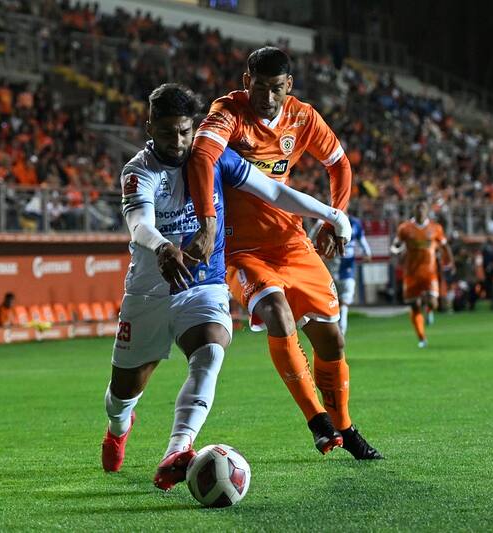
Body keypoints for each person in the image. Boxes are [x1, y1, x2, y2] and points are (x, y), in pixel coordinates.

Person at [101, 84, 353, 491]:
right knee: (123, 392)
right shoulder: (139, 170)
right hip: (149, 292)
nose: (178, 141)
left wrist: (330, 213)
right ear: (150, 128)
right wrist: (163, 247)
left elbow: (272, 190)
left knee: (212, 351)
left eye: (185, 131)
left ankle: (178, 450)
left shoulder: (215, 159)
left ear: (194, 127)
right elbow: (140, 223)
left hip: (203, 287)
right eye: (167, 133)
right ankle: (118, 426)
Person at [185, 47, 381, 459]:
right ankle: (318, 422)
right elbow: (202, 156)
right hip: (240, 249)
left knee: (332, 340)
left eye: (276, 88)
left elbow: (340, 164)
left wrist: (335, 217)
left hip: (291, 242)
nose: (267, 97)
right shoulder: (228, 112)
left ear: (288, 86)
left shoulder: (303, 117)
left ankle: (344, 426)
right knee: (275, 309)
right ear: (246, 82)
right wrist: (207, 221)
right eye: (260, 87)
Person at [390, 201, 453, 348]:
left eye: (423, 208)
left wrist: (450, 261)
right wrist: (396, 253)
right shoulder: (405, 228)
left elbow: (444, 246)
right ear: (414, 210)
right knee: (414, 305)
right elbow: (395, 245)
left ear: (426, 211)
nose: (420, 211)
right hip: (411, 272)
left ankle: (430, 310)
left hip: (429, 272)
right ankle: (422, 338)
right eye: (418, 208)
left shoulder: (435, 228)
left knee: (433, 302)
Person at [314, 216, 372, 334]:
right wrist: (318, 255)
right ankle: (329, 330)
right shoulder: (322, 222)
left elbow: (362, 240)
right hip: (328, 268)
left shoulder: (355, 223)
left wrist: (367, 252)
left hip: (347, 268)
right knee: (330, 303)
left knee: (345, 300)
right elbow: (310, 241)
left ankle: (341, 332)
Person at [481, 237, 493, 309]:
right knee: (491, 284)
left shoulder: (485, 248)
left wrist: (488, 266)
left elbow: (484, 258)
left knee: (488, 284)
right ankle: (492, 299)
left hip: (487, 268)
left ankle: (490, 298)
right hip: (491, 268)